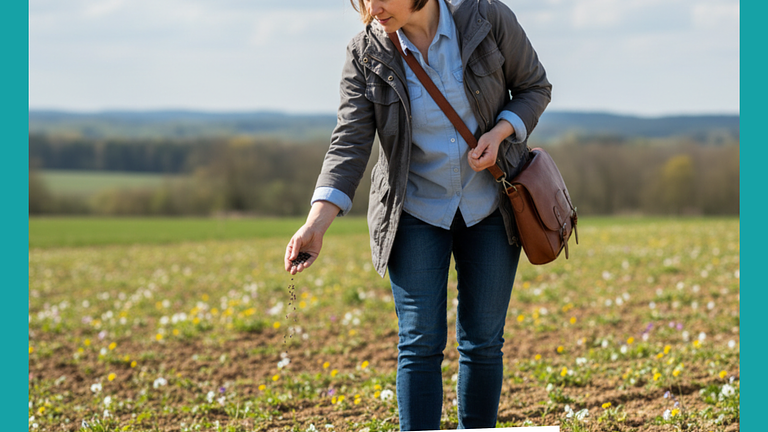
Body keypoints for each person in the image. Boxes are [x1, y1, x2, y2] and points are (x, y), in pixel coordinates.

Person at [285, 0, 551, 428]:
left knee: (483, 343)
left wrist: (501, 132)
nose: (372, 7)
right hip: (413, 211)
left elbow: (535, 87)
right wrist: (316, 223)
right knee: (419, 343)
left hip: (489, 207)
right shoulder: (364, 53)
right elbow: (349, 143)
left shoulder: (487, 18)